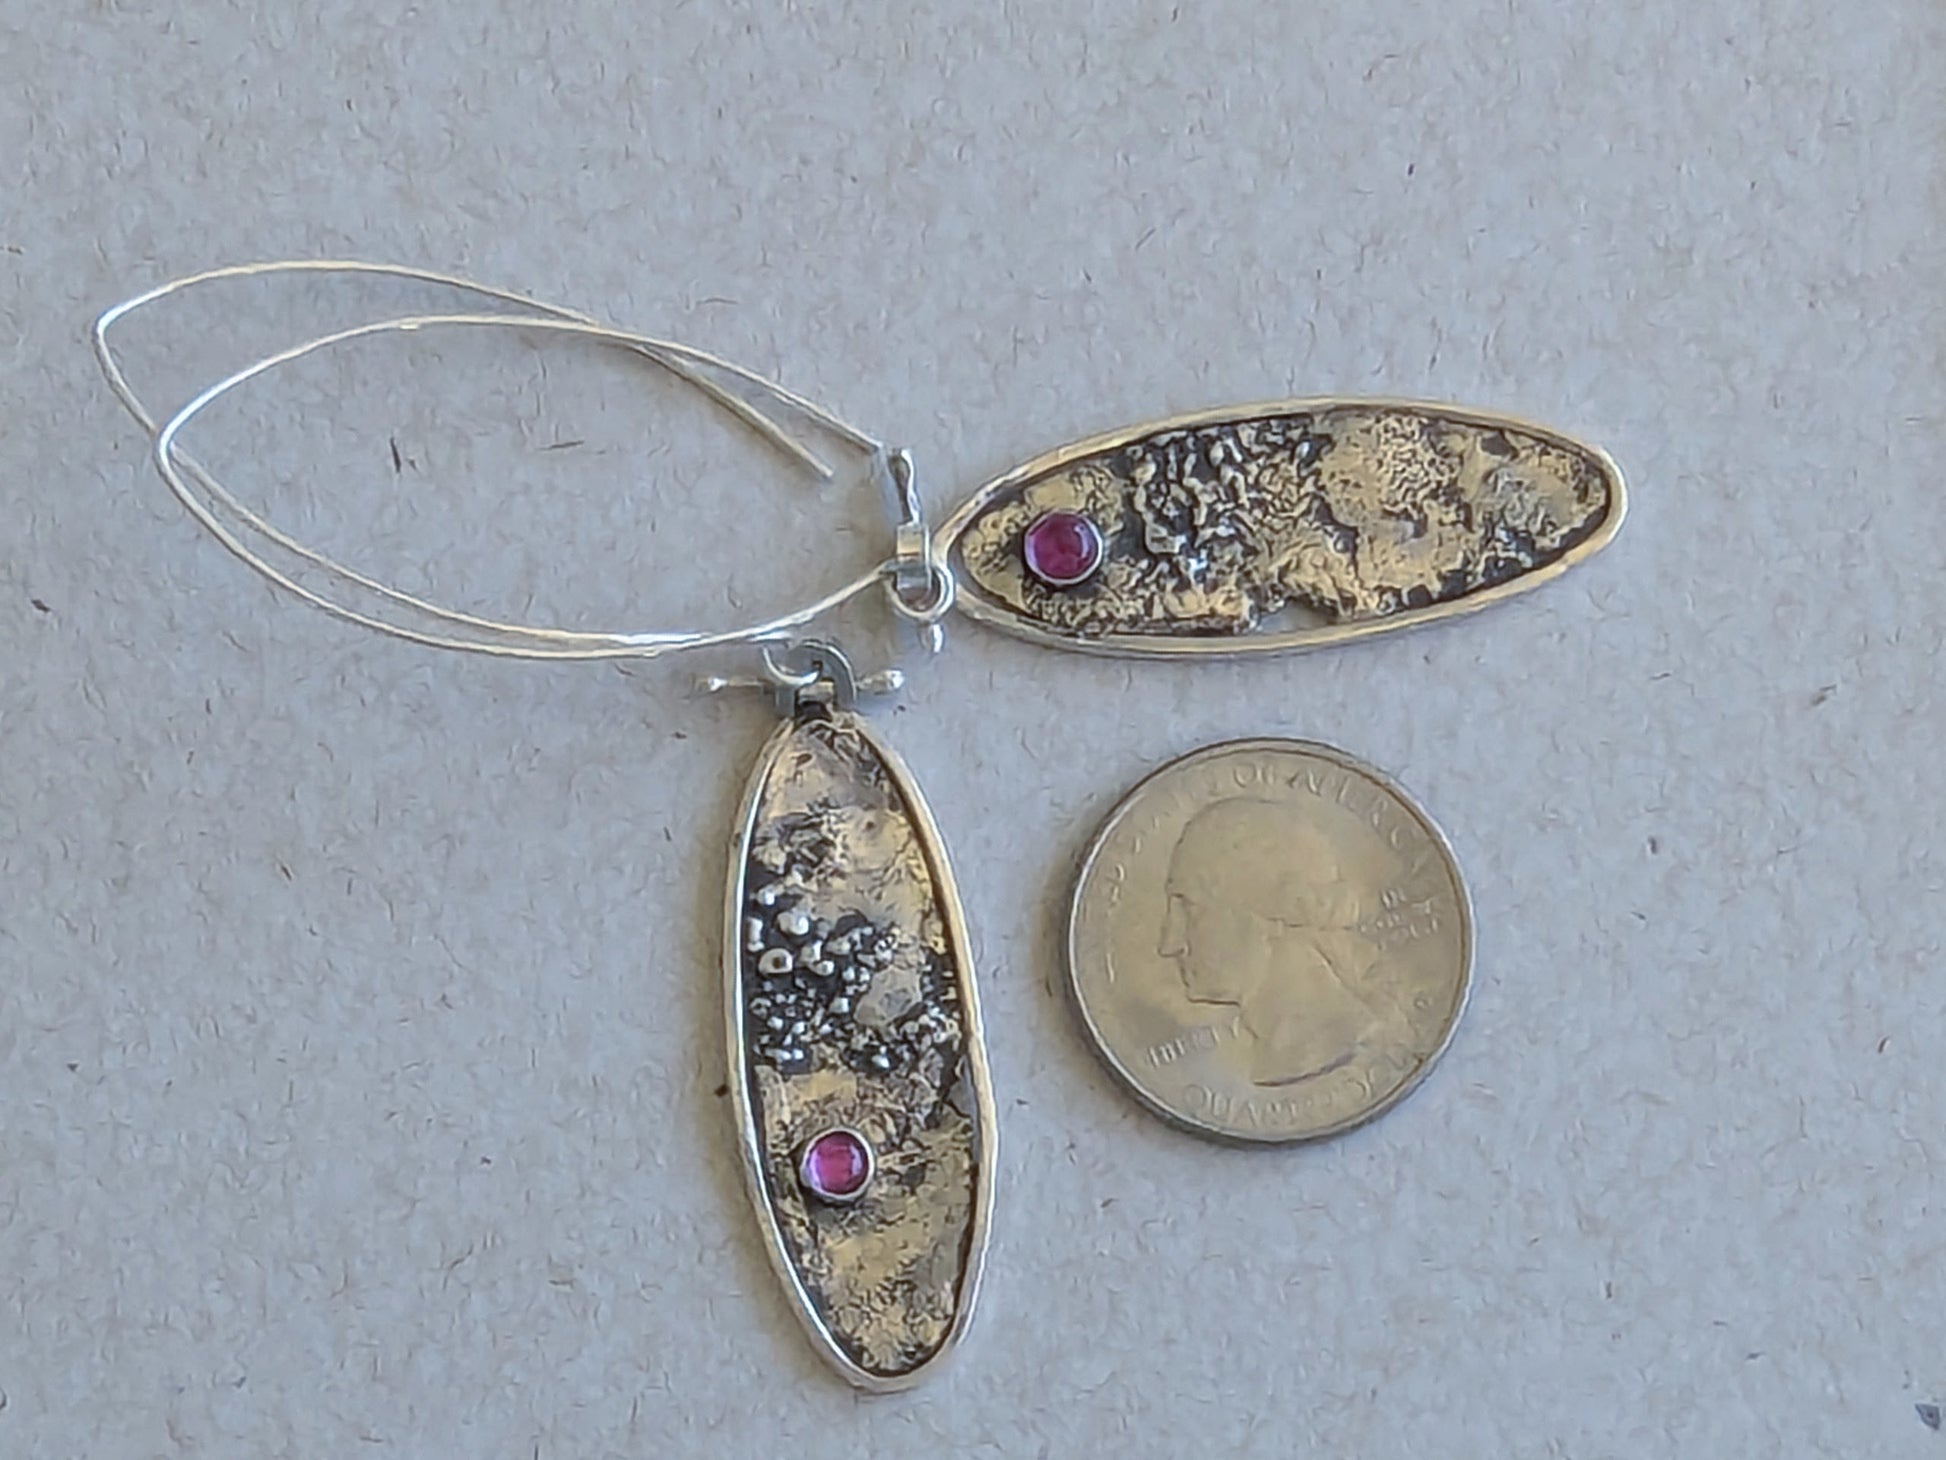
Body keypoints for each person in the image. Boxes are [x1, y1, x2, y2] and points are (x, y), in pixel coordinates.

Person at [1158, 797, 1391, 1087]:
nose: (1169, 944)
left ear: (1270, 913)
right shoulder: (1284, 1051)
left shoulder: (1329, 1041)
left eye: (1190, 907)